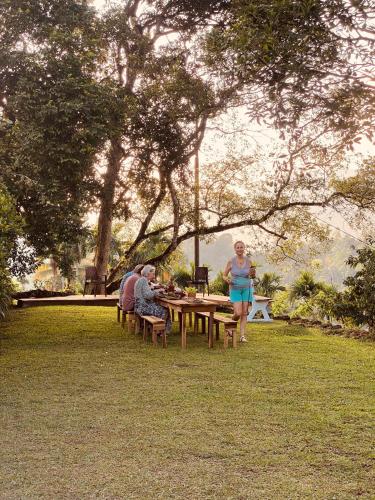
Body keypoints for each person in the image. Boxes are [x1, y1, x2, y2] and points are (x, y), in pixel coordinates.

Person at [223, 240, 255, 343]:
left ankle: (242, 336)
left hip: (247, 289)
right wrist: (227, 279)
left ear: (244, 248)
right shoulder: (231, 261)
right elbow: (224, 275)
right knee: (238, 312)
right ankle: (230, 325)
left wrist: (253, 274)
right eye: (238, 247)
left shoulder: (249, 261)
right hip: (235, 289)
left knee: (244, 313)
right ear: (235, 249)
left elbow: (252, 276)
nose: (240, 249)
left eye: (241, 247)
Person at [134, 265, 171, 332]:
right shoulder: (144, 280)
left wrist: (154, 291)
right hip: (143, 307)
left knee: (161, 307)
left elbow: (146, 293)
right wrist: (156, 292)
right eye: (153, 273)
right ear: (148, 273)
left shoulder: (141, 280)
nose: (154, 274)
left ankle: (158, 329)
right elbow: (148, 295)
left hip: (139, 307)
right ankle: (159, 331)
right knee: (165, 310)